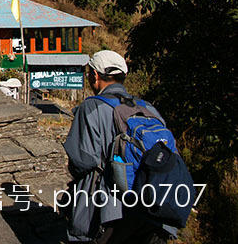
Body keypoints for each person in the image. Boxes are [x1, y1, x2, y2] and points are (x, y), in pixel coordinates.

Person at [63, 50, 175, 243]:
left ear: (95, 75)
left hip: (109, 210)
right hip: (153, 206)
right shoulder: (149, 109)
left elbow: (81, 162)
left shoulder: (91, 107)